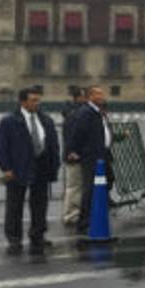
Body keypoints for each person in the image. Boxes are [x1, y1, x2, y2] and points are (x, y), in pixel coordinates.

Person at [0, 87, 61, 255]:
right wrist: (6, 168)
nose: (37, 103)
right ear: (23, 101)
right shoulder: (9, 121)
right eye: (33, 100)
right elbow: (2, 147)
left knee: (40, 204)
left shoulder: (45, 120)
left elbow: (53, 144)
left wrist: (54, 164)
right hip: (18, 167)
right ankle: (14, 238)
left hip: (41, 166)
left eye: (38, 100)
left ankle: (38, 235)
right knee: (15, 205)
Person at [65, 86, 114, 236]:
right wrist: (73, 150)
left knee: (104, 183)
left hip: (101, 155)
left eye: (102, 93)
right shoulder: (86, 112)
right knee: (89, 189)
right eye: (98, 94)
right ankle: (84, 222)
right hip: (91, 156)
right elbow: (78, 132)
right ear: (90, 96)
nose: (101, 96)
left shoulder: (97, 112)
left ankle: (94, 216)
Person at [60, 87, 86, 226]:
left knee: (77, 186)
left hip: (78, 155)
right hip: (75, 156)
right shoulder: (75, 114)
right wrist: (71, 151)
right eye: (84, 96)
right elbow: (70, 135)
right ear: (78, 98)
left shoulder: (76, 112)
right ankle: (70, 214)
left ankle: (75, 212)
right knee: (74, 186)